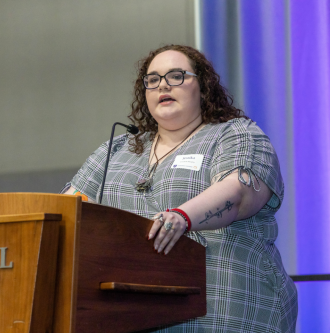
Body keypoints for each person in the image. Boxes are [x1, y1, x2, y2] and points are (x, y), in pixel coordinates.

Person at [62, 44, 297, 332]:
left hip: (224, 312)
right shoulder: (116, 150)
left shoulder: (236, 133)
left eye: (176, 76)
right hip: (133, 315)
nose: (163, 85)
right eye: (153, 79)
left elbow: (238, 193)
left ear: (203, 86)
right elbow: (67, 210)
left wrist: (182, 217)